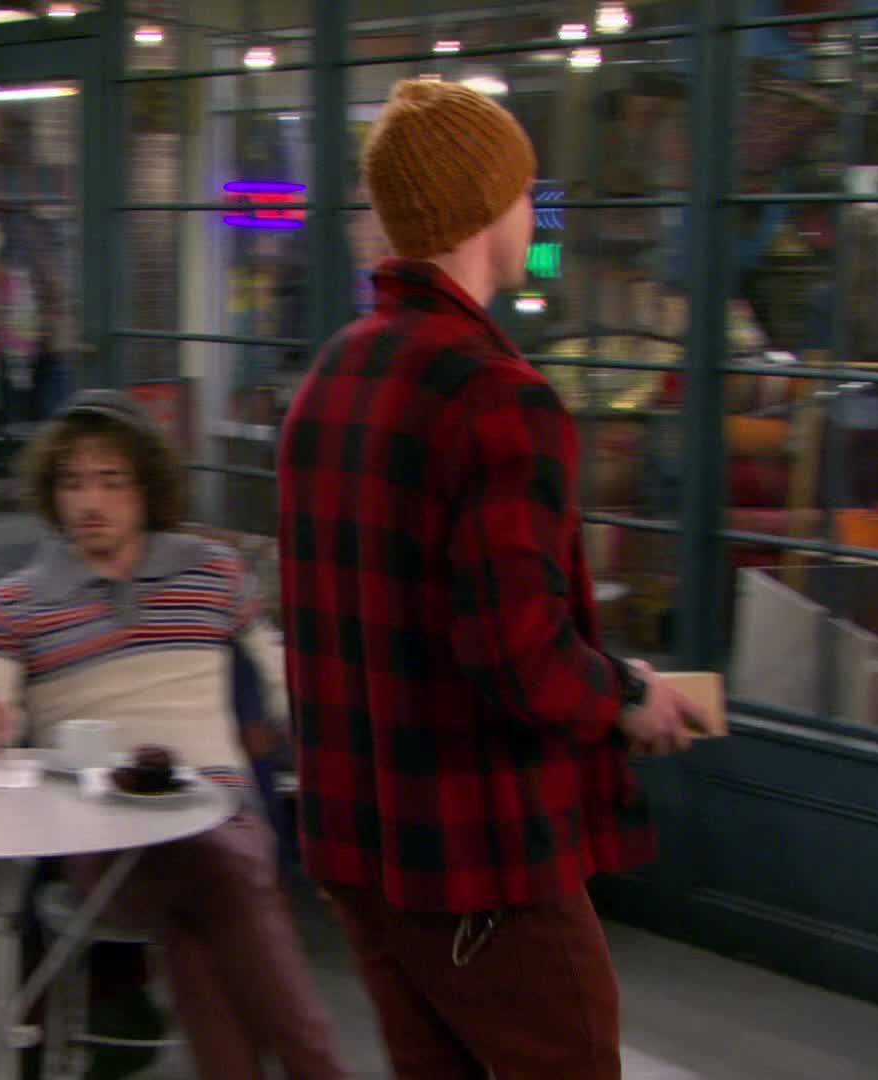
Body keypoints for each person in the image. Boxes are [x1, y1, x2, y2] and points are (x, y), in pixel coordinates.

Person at [277, 80, 706, 1080]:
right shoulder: (499, 396)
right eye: (522, 190)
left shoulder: (333, 375)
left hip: (359, 841)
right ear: (482, 208)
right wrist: (628, 696)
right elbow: (518, 655)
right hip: (477, 855)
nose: (531, 211)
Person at [0, 390, 350, 1080]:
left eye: (111, 481)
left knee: (206, 908)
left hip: (220, 812)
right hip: (105, 838)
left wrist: (338, 759)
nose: (89, 503)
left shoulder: (213, 572)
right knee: (222, 880)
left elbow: (282, 680)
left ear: (148, 488)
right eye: (73, 483)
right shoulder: (10, 602)